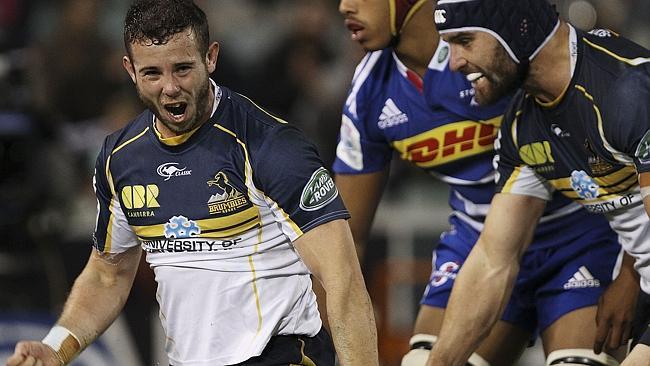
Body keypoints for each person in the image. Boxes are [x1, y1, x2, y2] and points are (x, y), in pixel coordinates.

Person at [5, 1, 379, 365]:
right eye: (152, 73)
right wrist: (56, 348)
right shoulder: (121, 158)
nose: (170, 87)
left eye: (182, 68)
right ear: (130, 70)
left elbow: (343, 283)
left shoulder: (271, 147)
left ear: (210, 58)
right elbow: (107, 275)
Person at [334, 0, 640, 365]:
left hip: (580, 238)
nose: (344, 6)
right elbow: (346, 239)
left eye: (464, 43)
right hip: (481, 240)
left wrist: (631, 274)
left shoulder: (527, 65)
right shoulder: (373, 91)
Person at [427, 0, 650, 365]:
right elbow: (492, 261)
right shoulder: (523, 126)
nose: (453, 63)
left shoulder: (629, 90)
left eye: (464, 41)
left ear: (520, 29)